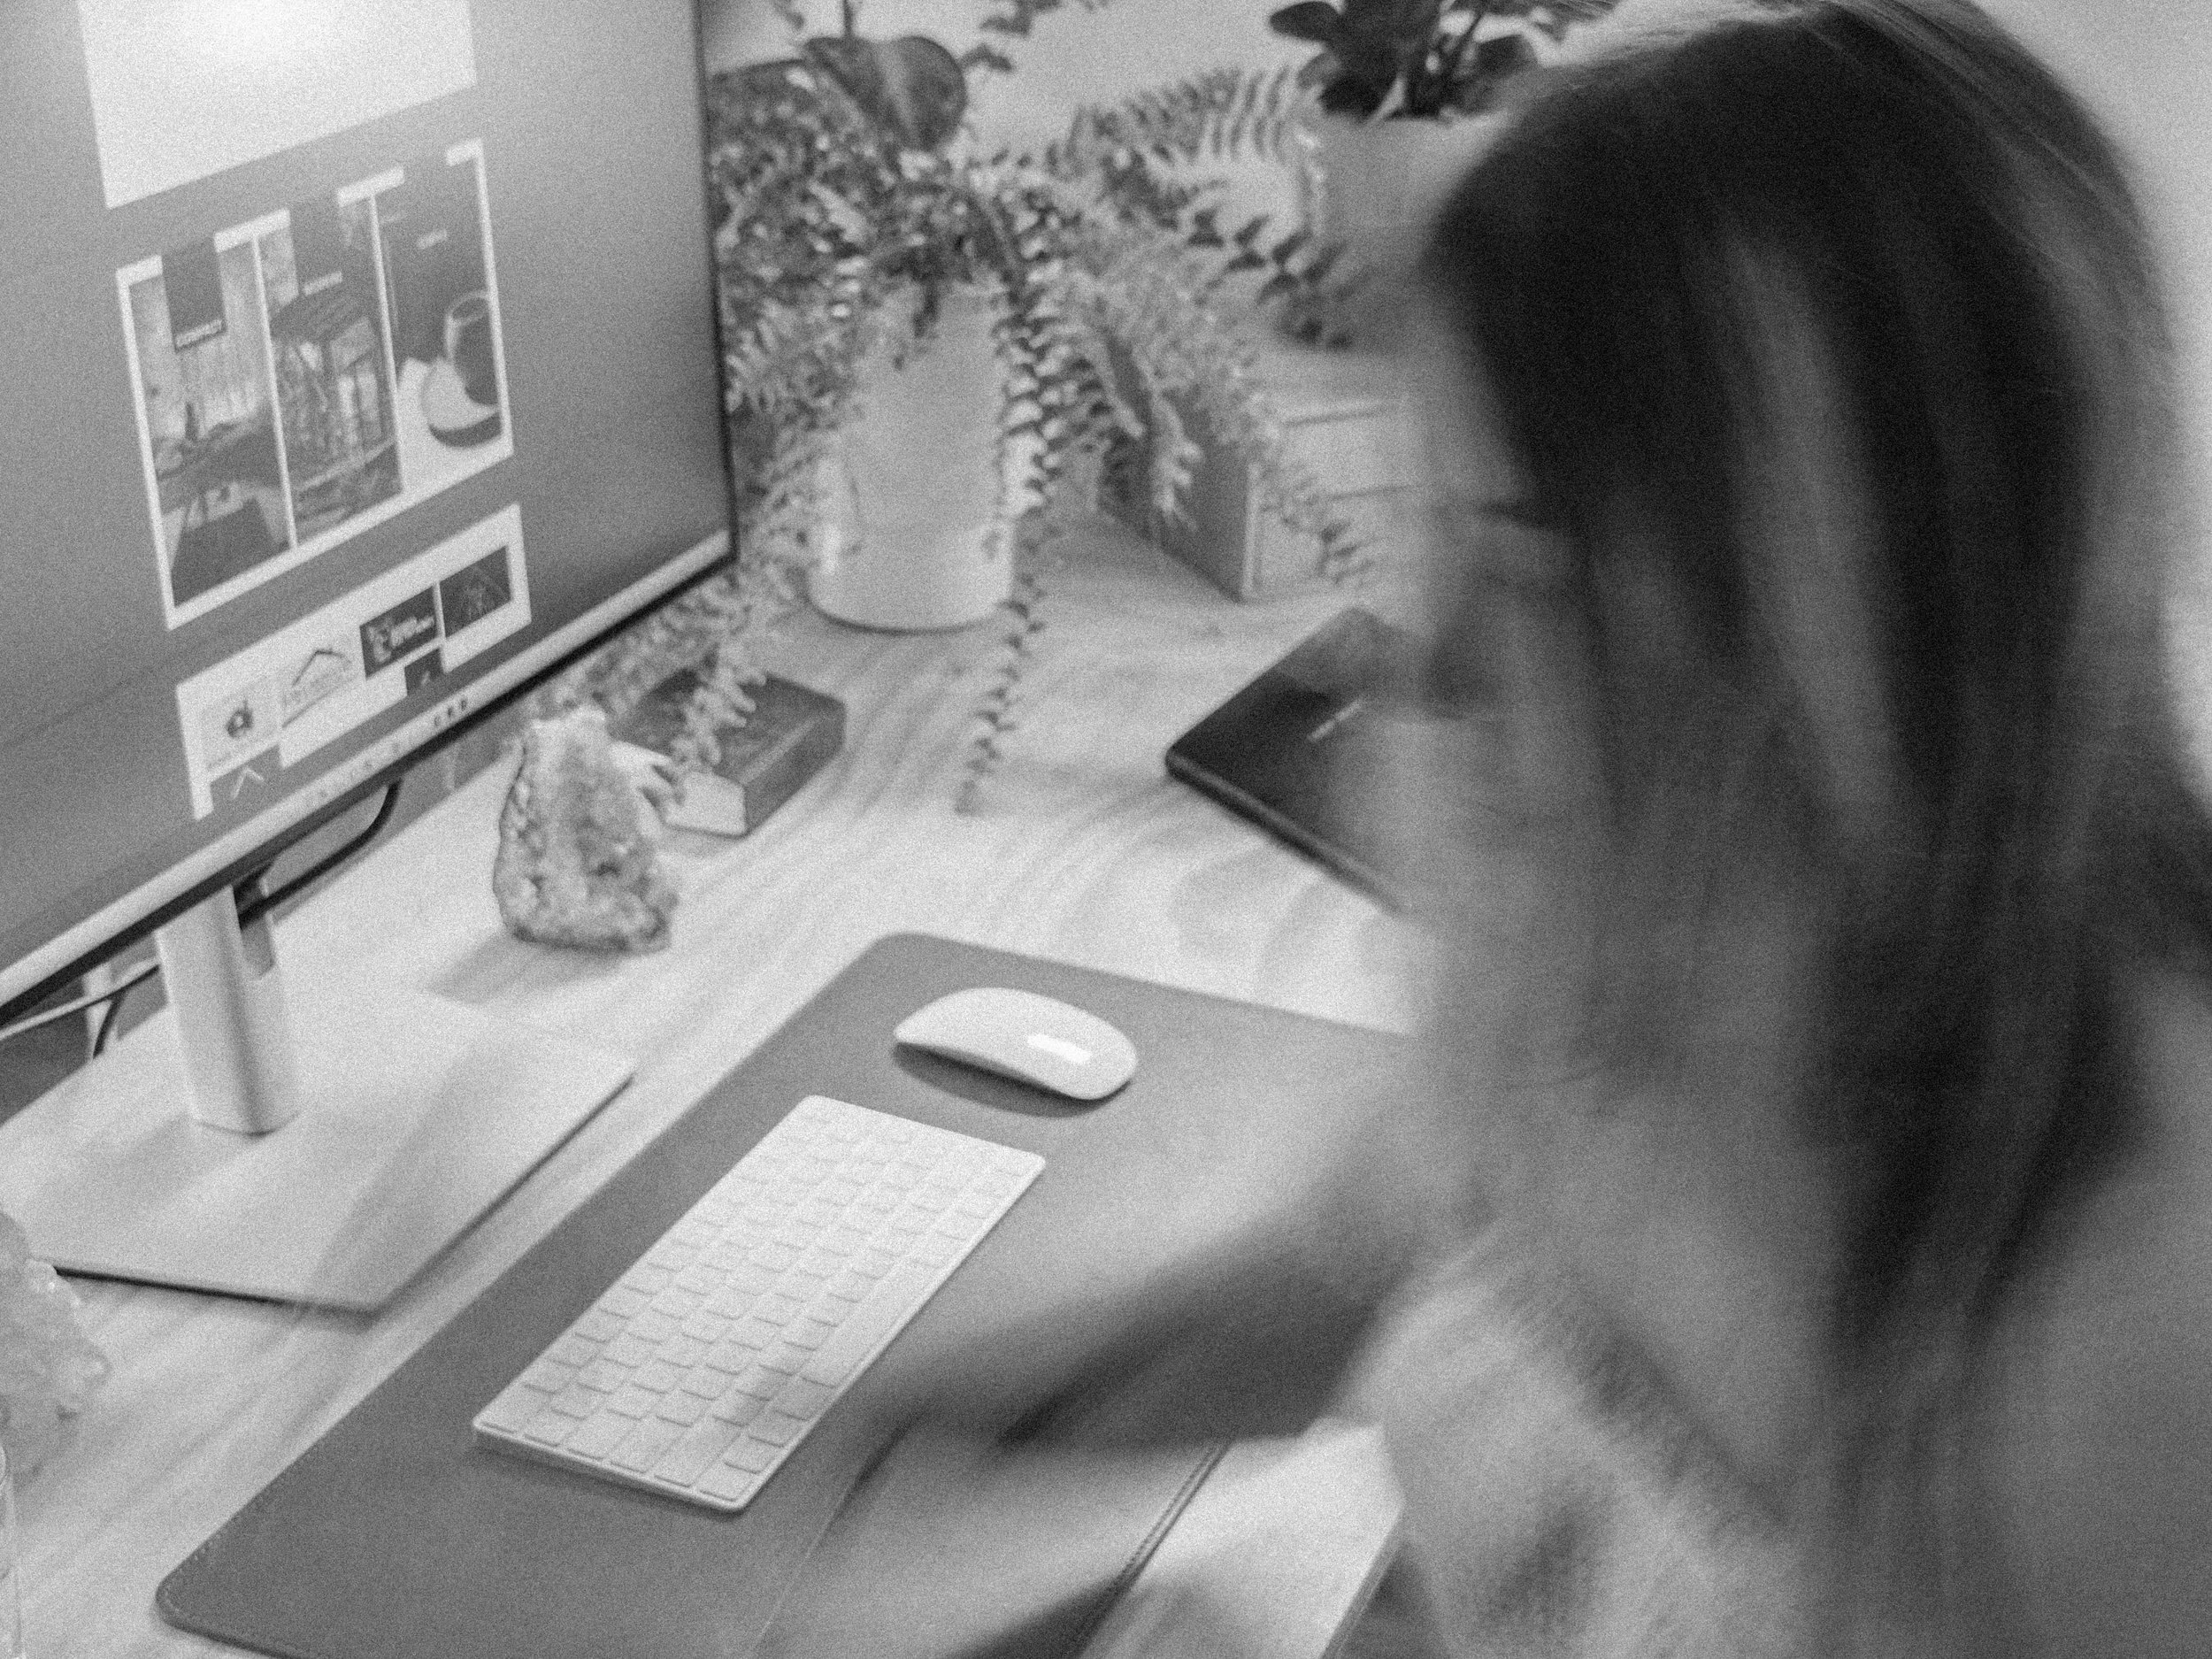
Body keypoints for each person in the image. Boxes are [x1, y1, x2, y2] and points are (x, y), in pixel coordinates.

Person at [1353, 0, 2212, 1653]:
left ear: (1842, 621)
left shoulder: (2136, 1341)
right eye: (1435, 533)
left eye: (1524, 564)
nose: (1436, 661)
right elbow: (1348, 1244)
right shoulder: (1638, 948)